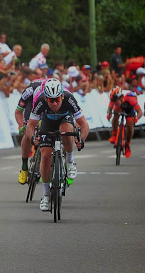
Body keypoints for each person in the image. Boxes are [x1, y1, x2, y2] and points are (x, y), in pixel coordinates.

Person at [23, 78, 89, 212]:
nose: (54, 103)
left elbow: (84, 124)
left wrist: (81, 139)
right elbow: (30, 125)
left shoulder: (69, 98)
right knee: (45, 156)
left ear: (62, 96)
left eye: (57, 99)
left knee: (66, 131)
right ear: (46, 98)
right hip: (48, 121)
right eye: (50, 100)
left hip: (65, 118)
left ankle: (70, 161)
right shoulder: (41, 101)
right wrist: (33, 137)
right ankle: (46, 195)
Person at [15, 77, 47, 184]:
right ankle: (24, 167)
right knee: (27, 133)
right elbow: (18, 112)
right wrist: (22, 126)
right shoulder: (28, 92)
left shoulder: (54, 94)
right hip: (31, 107)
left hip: (49, 106)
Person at [106, 86, 143, 158]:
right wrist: (109, 114)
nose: (114, 102)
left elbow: (140, 112)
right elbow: (109, 109)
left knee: (129, 124)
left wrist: (136, 118)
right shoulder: (114, 99)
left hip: (130, 108)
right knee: (116, 113)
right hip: (120, 107)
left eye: (115, 101)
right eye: (113, 101)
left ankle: (127, 145)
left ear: (121, 97)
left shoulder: (131, 98)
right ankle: (114, 134)